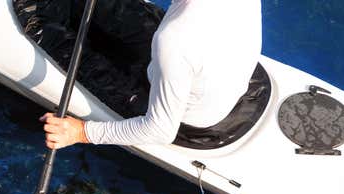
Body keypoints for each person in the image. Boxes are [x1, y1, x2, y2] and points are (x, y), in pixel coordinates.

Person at [39, 0, 262, 150]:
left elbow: (159, 131)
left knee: (59, 40)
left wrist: (81, 132)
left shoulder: (174, 39)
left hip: (181, 118)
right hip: (211, 78)